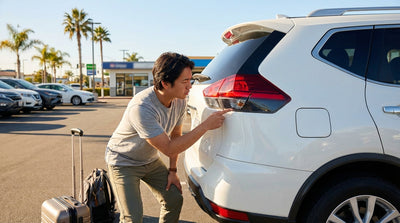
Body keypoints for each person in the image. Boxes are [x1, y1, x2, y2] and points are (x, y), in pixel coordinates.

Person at [105, 52, 231, 223]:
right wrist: (206, 126)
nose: (190, 86)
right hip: (123, 162)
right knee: (132, 218)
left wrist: (173, 171)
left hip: (149, 160)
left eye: (190, 80)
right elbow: (169, 147)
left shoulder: (179, 100)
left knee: (174, 199)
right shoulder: (142, 108)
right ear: (165, 83)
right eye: (185, 81)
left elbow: (176, 136)